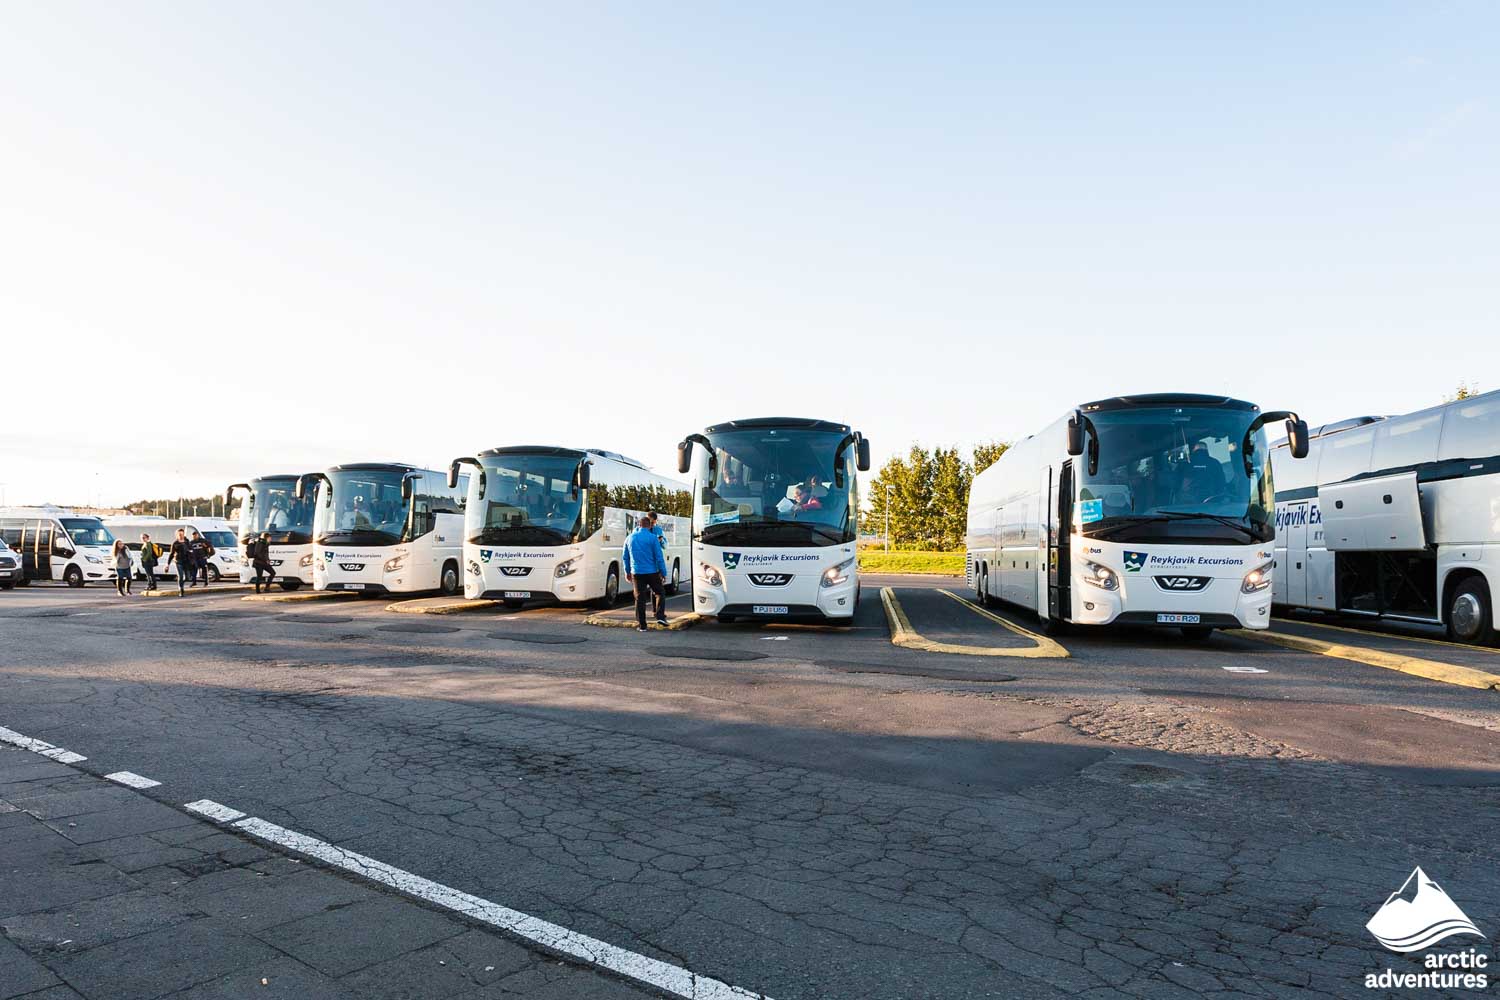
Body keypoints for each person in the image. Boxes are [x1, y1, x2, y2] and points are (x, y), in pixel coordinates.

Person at [622, 514, 668, 631]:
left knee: (640, 598)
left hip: (636, 573)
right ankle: (660, 616)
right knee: (659, 593)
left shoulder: (629, 538)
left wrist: (627, 571)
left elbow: (625, 557)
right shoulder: (653, 538)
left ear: (639, 525)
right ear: (649, 526)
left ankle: (642, 626)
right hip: (652, 572)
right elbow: (659, 557)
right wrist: (663, 572)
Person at [166, 528, 193, 596]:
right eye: (179, 534)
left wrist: (190, 552)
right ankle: (181, 590)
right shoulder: (175, 543)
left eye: (182, 534)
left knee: (187, 577)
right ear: (177, 535)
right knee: (180, 576)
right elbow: (171, 554)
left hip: (186, 561)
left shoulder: (187, 542)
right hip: (178, 561)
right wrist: (167, 564)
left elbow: (191, 549)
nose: (181, 535)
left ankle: (181, 583)